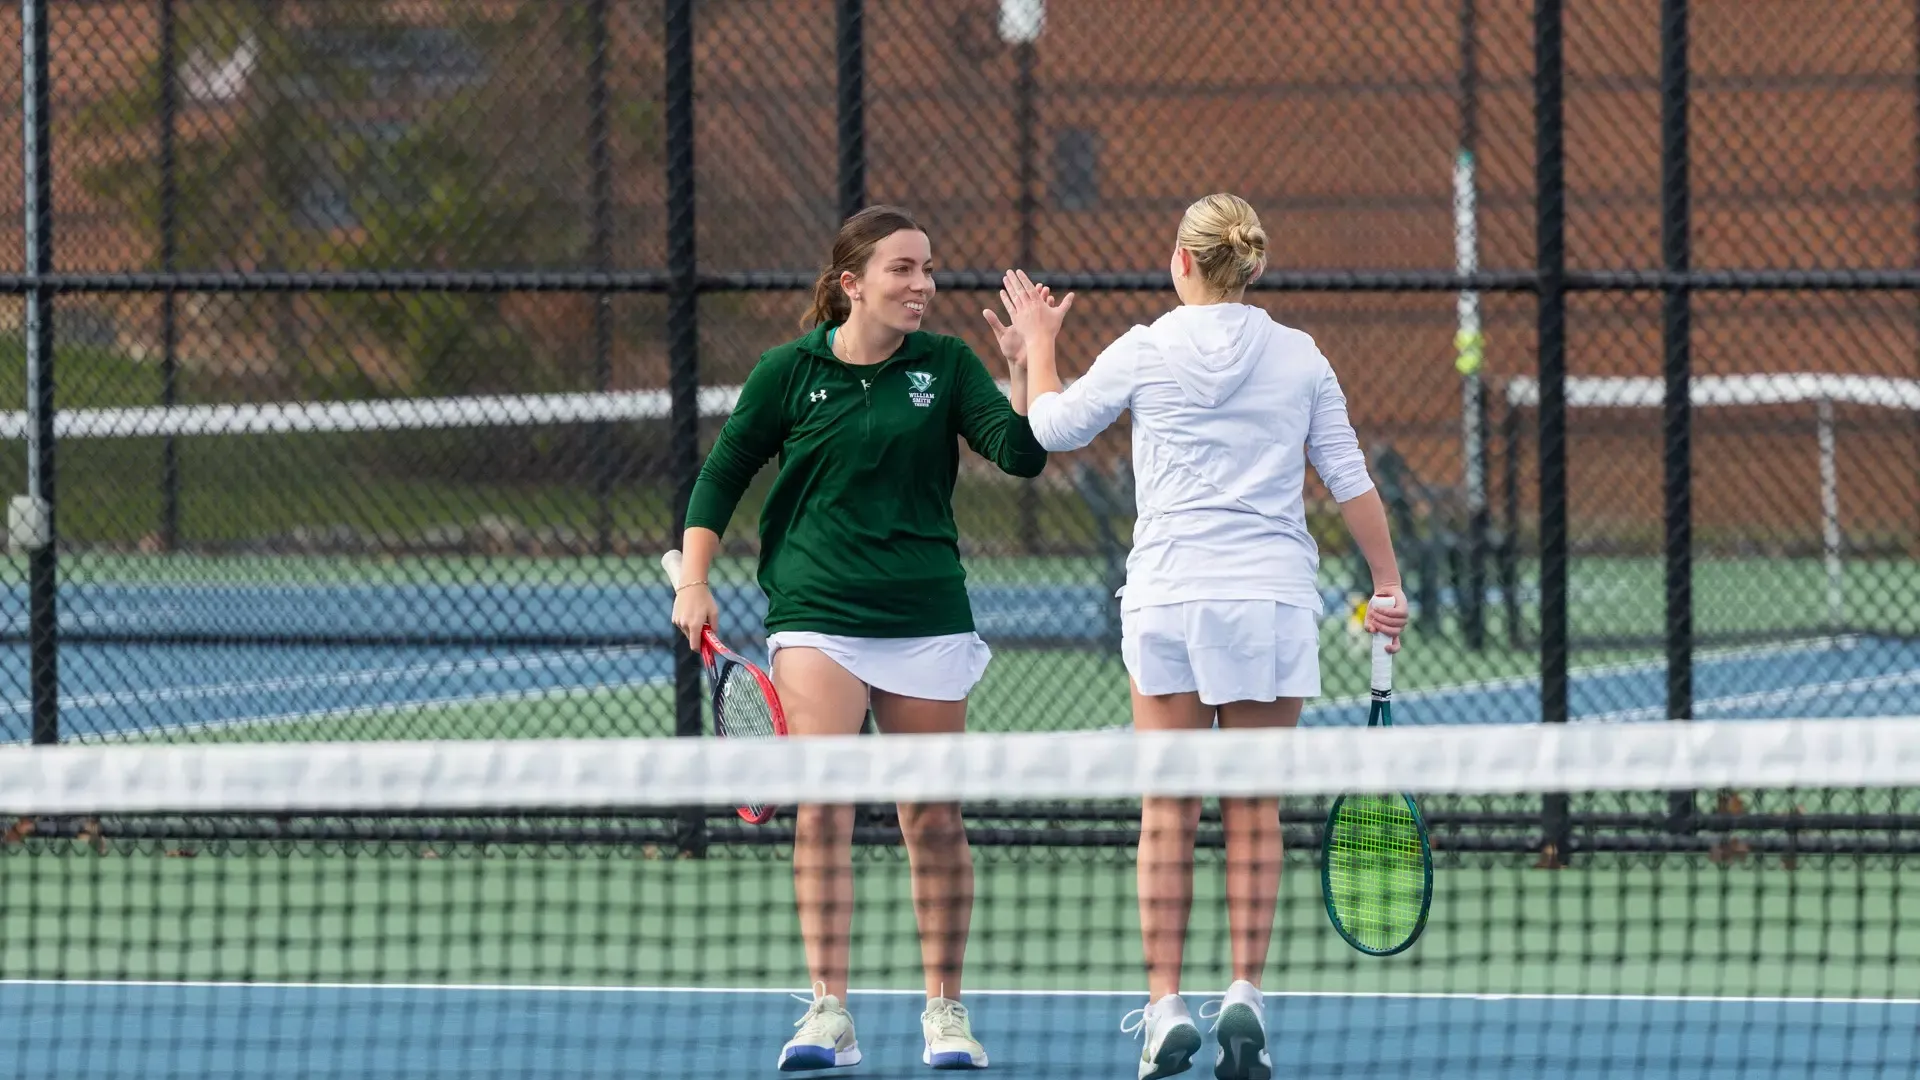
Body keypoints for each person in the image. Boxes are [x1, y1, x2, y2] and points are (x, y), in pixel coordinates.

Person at [999, 192, 1410, 1080]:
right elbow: (1349, 478)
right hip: (1268, 603)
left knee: (1167, 816)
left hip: (1171, 602)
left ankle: (1164, 1007)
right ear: (1249, 264)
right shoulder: (1301, 357)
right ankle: (1244, 993)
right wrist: (1386, 582)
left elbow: (1049, 425)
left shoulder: (1147, 347)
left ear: (1180, 261)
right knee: (1254, 814)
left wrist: (1035, 345)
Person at [670, 205, 1049, 1072]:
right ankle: (828, 1011)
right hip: (816, 614)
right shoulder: (787, 373)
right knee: (824, 808)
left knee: (933, 819)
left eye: (927, 269)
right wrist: (694, 579)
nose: (923, 284)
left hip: (925, 618)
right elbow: (721, 474)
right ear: (852, 284)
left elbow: (1019, 455)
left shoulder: (947, 365)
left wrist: (1029, 373)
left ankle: (945, 1013)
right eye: (903, 270)